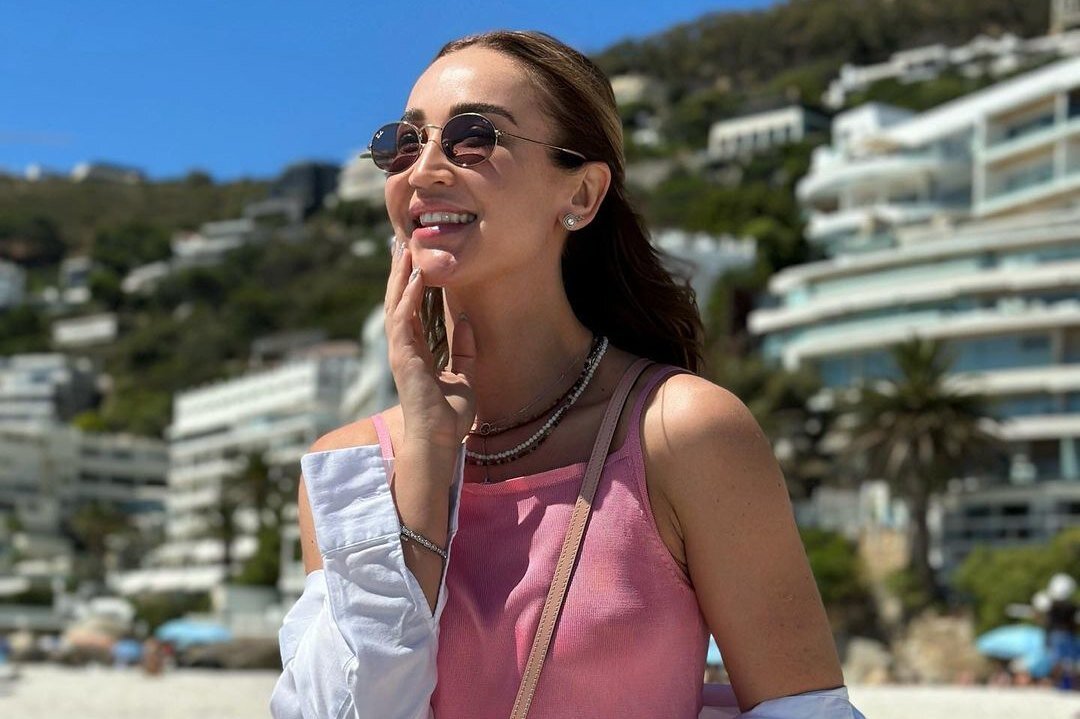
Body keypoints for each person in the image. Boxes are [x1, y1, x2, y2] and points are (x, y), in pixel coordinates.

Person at [271, 30, 865, 719]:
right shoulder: (352, 469)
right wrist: (427, 462)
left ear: (581, 192)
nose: (424, 169)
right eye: (403, 143)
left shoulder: (680, 434)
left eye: (473, 138)